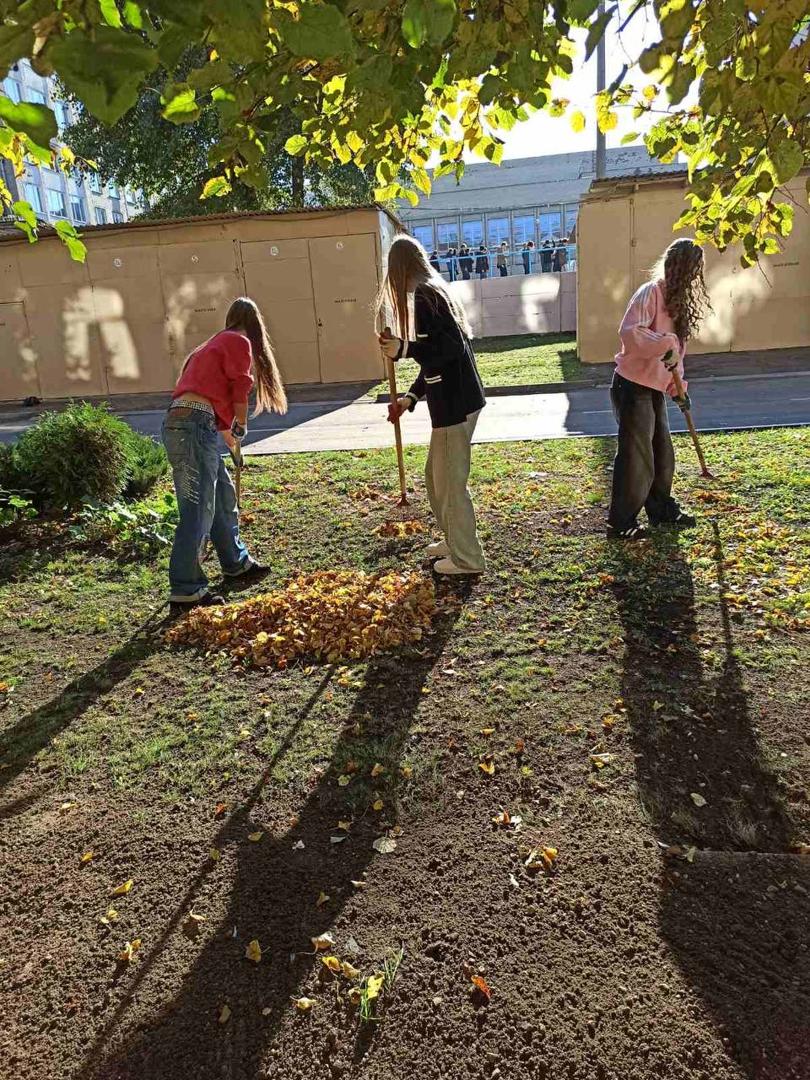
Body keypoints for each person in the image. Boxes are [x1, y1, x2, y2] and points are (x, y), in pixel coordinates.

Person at [162, 297, 287, 611]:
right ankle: (186, 587)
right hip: (193, 426)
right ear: (254, 324)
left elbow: (213, 411)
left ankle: (235, 562)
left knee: (222, 496)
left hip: (185, 422)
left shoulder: (207, 347)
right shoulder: (237, 341)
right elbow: (239, 389)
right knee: (198, 507)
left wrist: (234, 448)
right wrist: (242, 424)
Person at [377, 235, 486, 576]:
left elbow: (449, 349)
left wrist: (404, 349)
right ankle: (455, 540)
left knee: (451, 485)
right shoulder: (430, 291)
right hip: (451, 403)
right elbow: (436, 359)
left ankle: (467, 559)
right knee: (435, 479)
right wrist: (410, 397)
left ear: (398, 268)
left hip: (455, 405)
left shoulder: (427, 294)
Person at [607, 238, 710, 540]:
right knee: (637, 456)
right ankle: (620, 521)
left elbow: (676, 358)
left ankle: (661, 508)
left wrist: (678, 387)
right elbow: (630, 333)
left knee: (662, 452)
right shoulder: (651, 292)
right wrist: (662, 344)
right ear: (676, 267)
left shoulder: (678, 305)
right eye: (690, 270)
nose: (693, 277)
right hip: (631, 385)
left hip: (653, 388)